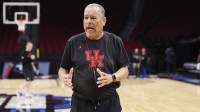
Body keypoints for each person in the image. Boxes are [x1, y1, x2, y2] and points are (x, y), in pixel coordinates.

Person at [58, 3, 130, 112]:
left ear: (103, 21)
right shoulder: (73, 42)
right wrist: (64, 77)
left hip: (109, 103)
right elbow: (63, 69)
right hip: (80, 104)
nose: (88, 21)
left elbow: (124, 70)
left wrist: (112, 77)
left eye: (93, 18)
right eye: (86, 18)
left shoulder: (115, 41)